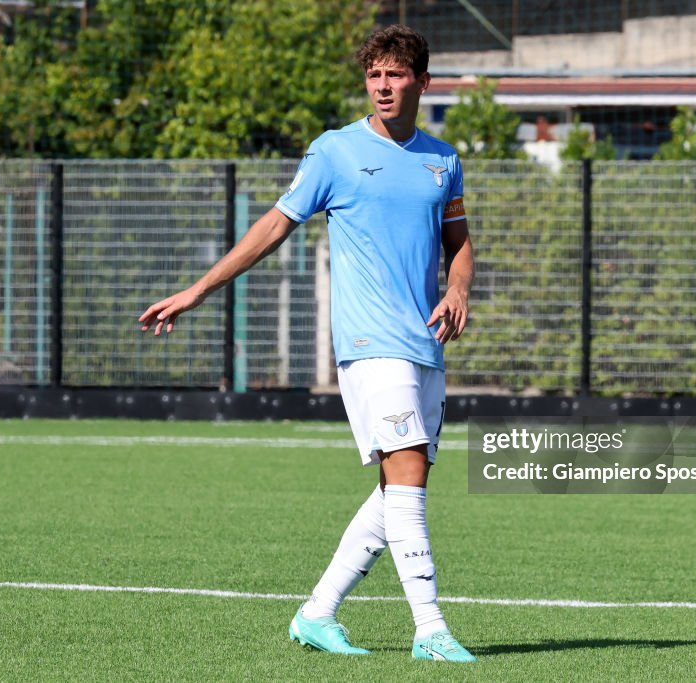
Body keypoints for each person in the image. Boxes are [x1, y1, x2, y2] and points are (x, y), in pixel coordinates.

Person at [138, 24, 476, 662]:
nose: (382, 85)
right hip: (370, 341)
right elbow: (273, 225)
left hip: (425, 344)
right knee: (404, 476)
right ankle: (430, 630)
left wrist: (458, 291)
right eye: (374, 74)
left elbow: (459, 246)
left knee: (401, 487)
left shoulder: (443, 159)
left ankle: (317, 615)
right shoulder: (334, 152)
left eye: (396, 74)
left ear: (422, 83)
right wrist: (198, 290)